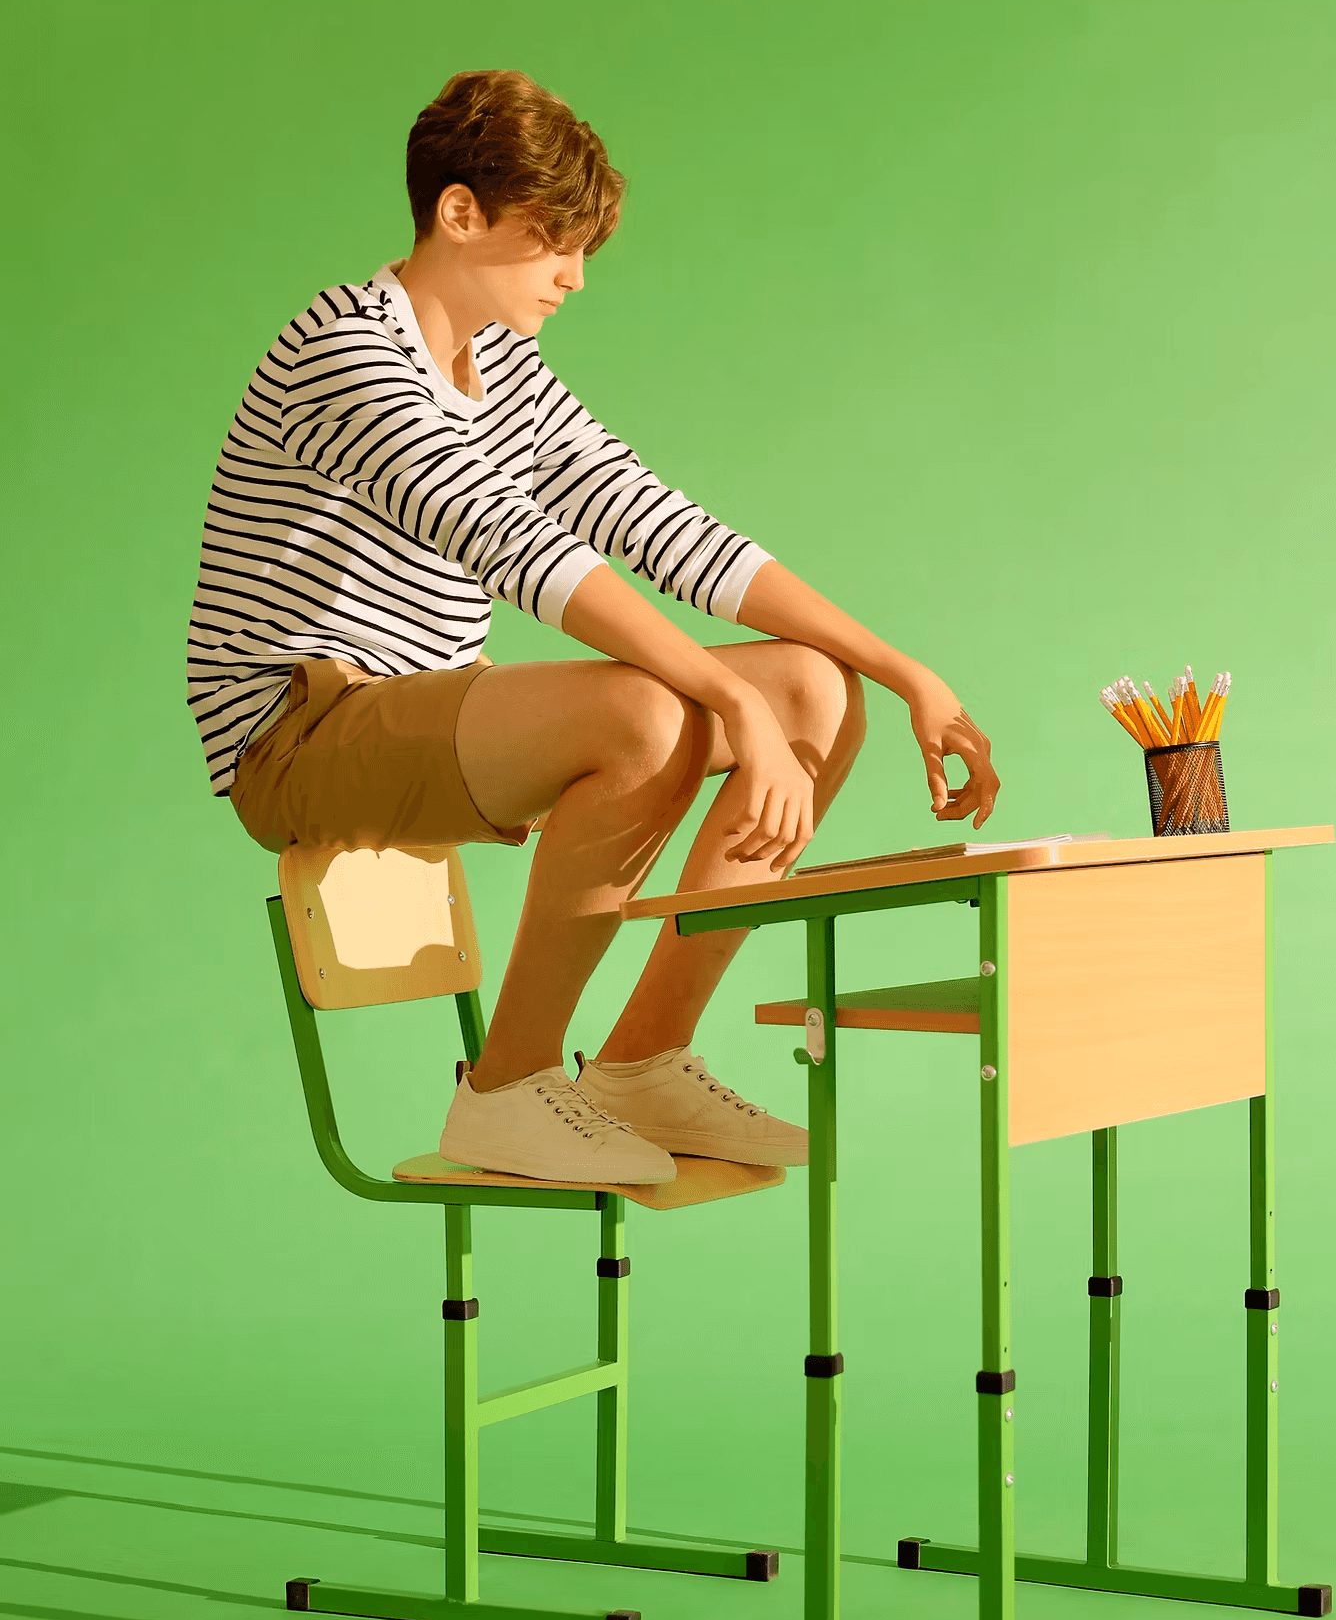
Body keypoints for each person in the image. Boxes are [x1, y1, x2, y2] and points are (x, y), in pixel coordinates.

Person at [188, 70, 998, 1185]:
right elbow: (514, 546)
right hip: (299, 730)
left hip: (430, 711)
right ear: (460, 214)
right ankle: (506, 1088)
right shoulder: (343, 352)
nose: (573, 277)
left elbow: (652, 521)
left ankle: (641, 1063)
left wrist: (903, 672)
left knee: (810, 690)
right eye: (552, 243)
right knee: (641, 710)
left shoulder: (503, 367)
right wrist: (725, 703)